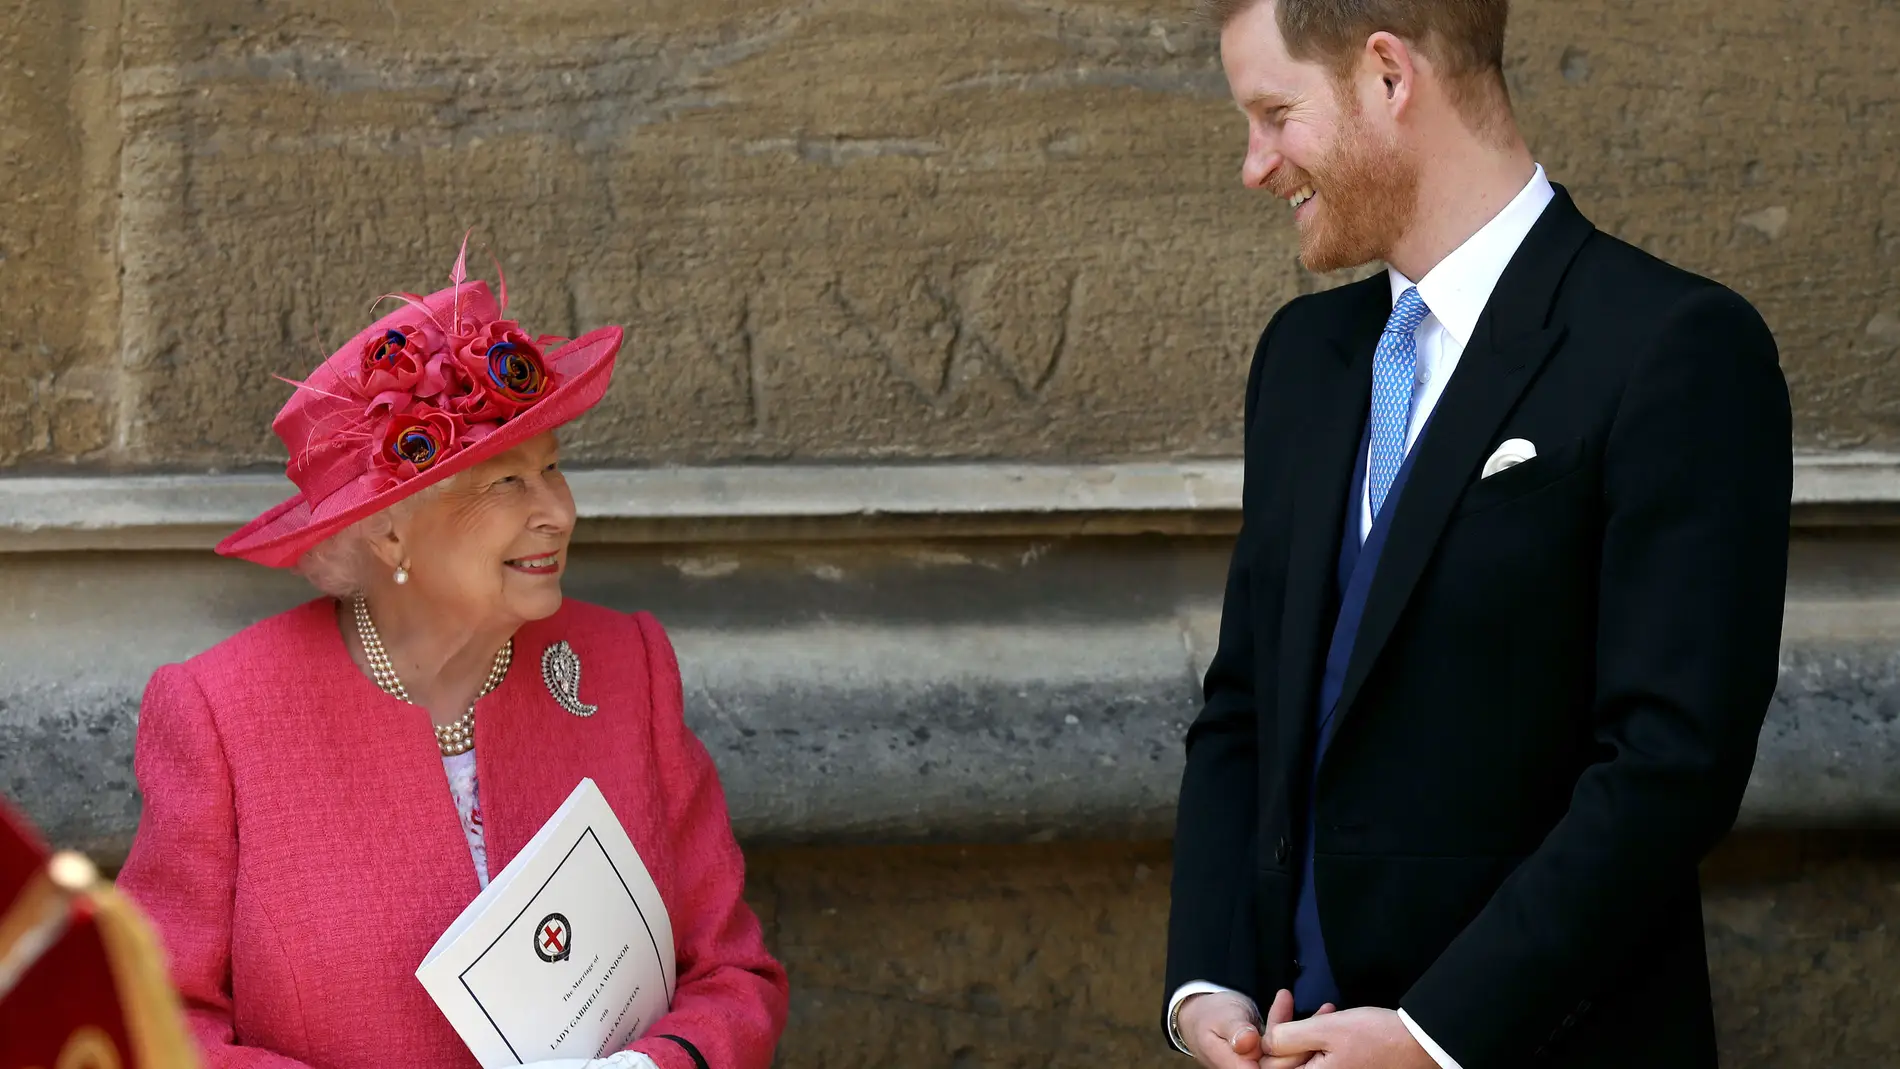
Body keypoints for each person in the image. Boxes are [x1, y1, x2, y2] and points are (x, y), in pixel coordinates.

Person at [1163, 1, 1791, 1067]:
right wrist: (1206, 982)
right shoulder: (1304, 356)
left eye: (1275, 113)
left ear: (1387, 77)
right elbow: (1244, 709)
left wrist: (1430, 1033)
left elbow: (1668, 764)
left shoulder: (1674, 346)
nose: (1254, 165)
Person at [117, 244, 789, 1069]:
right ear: (390, 527)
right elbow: (150, 1023)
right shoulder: (222, 714)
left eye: (554, 468)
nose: (558, 512)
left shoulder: (627, 665)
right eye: (506, 483)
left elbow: (733, 975)